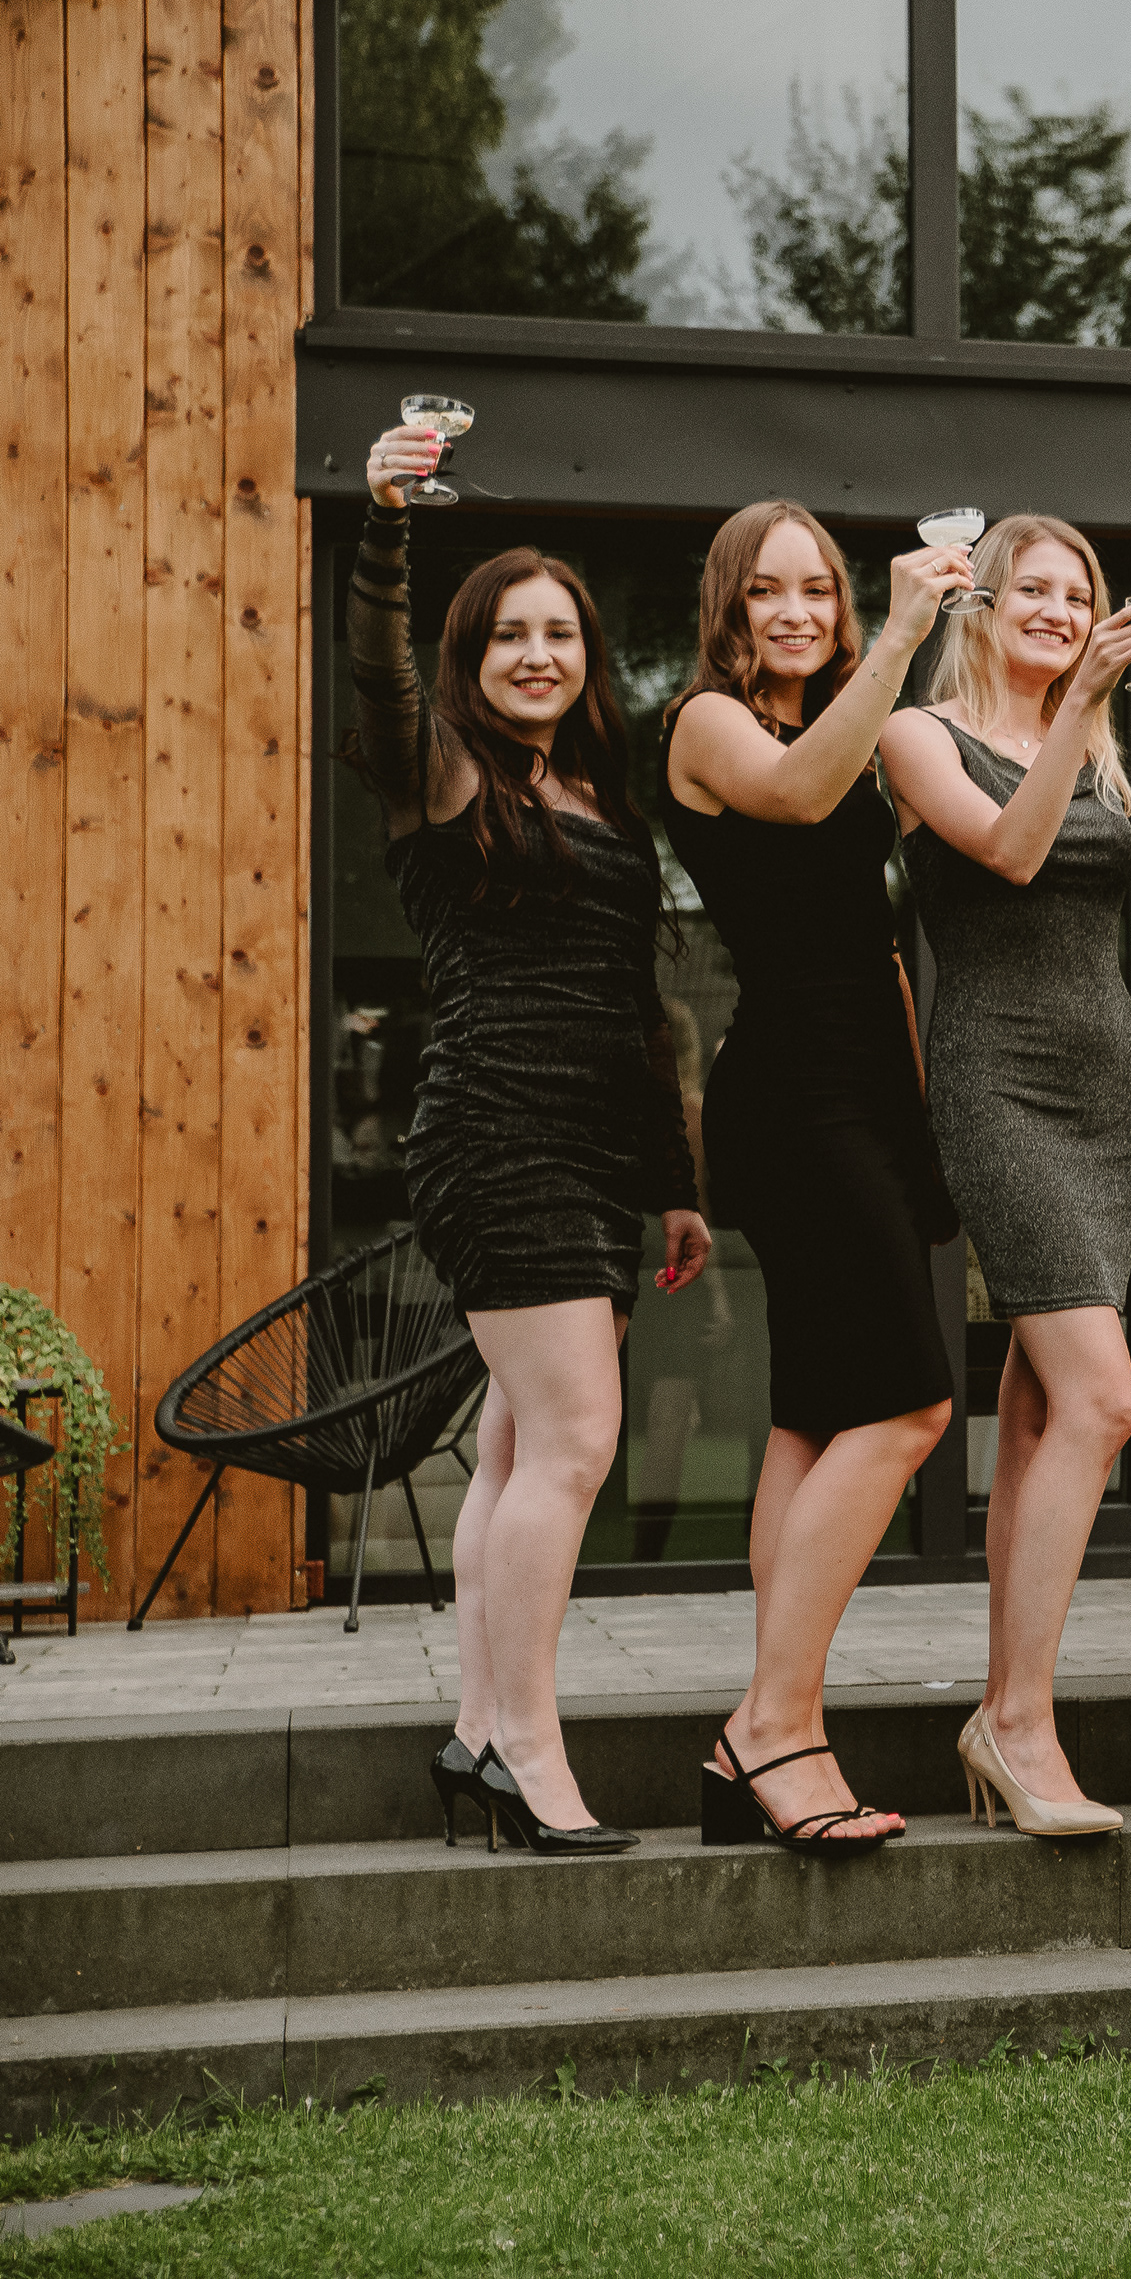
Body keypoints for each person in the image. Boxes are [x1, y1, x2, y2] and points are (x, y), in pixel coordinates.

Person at [349, 423, 706, 1856]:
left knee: (512, 1450)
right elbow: (378, 676)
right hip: (496, 1137)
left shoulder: (600, 800)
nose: (539, 654)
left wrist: (674, 1186)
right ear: (470, 654)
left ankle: (478, 1730)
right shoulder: (443, 773)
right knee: (575, 1441)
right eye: (510, 633)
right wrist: (387, 523)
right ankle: (531, 1751)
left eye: (561, 632)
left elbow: (639, 1013)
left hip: (594, 1152)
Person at [659, 502, 975, 1853]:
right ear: (728, 609)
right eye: (766, 591)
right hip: (791, 1089)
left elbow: (883, 946)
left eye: (816, 590)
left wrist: (924, 1118)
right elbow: (791, 793)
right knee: (910, 1404)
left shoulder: (852, 731)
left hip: (869, 1083)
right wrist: (901, 634)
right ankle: (773, 1726)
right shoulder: (705, 723)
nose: (795, 612)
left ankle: (769, 1724)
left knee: (811, 1415)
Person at [881, 515, 1131, 1836]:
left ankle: (1005, 1708)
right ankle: (1018, 1719)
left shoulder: (1097, 750)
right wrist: (1090, 700)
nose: (1060, 612)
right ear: (985, 606)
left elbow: (1093, 946)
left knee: (1045, 1408)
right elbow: (1007, 852)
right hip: (996, 1081)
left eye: (1080, 594)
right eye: (1036, 591)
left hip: (1103, 1098)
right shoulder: (920, 736)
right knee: (1107, 1400)